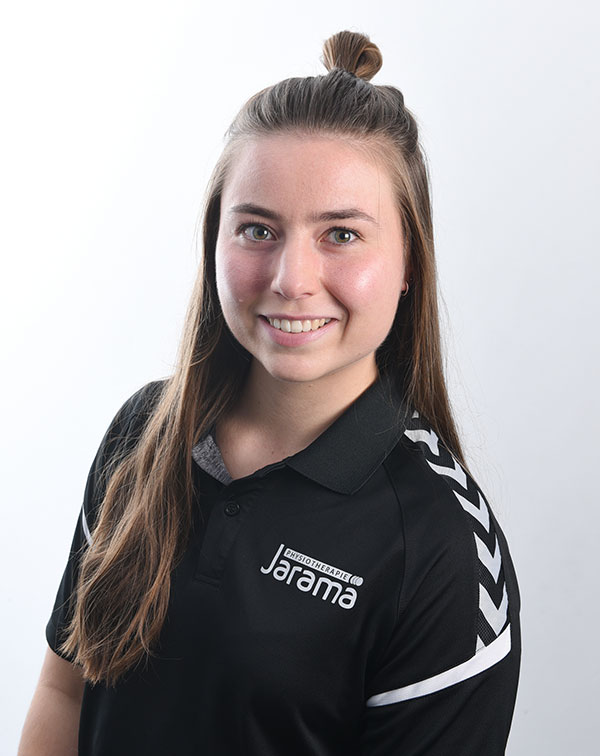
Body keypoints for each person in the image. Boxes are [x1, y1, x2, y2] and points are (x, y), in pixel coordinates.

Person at [19, 29, 521, 756]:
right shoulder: (143, 433)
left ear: (410, 259)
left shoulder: (445, 550)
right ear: (213, 242)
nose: (291, 280)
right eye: (258, 229)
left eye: (341, 235)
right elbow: (66, 690)